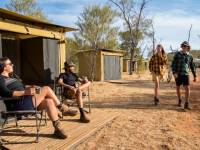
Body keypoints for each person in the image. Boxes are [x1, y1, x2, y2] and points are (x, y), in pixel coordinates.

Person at [0, 57, 77, 139]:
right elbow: (6, 93)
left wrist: (31, 87)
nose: (13, 65)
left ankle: (58, 129)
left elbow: (23, 86)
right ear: (4, 67)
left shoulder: (12, 77)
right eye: (10, 64)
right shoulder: (1, 79)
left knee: (49, 101)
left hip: (27, 101)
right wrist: (25, 92)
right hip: (17, 104)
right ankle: (62, 108)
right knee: (46, 88)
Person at [171, 41, 197, 109]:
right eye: (183, 46)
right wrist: (174, 73)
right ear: (181, 46)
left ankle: (186, 103)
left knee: (187, 88)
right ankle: (179, 100)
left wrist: (195, 76)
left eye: (185, 46)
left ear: (188, 47)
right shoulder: (177, 54)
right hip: (178, 74)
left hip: (186, 74)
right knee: (178, 87)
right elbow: (173, 64)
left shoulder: (190, 56)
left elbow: (192, 66)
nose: (184, 47)